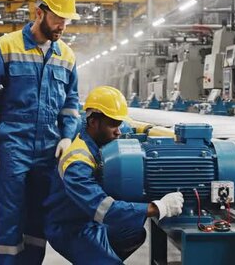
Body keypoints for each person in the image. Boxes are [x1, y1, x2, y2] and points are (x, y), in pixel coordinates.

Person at [0, 0, 81, 264]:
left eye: (67, 21)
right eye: (58, 18)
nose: (62, 26)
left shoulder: (66, 56)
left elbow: (70, 104)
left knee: (38, 220)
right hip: (13, 149)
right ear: (39, 12)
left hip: (48, 152)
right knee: (11, 219)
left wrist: (68, 135)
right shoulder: (6, 47)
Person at [44, 86, 184, 264]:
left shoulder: (94, 132)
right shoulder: (77, 163)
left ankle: (99, 258)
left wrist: (153, 131)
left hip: (89, 221)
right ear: (94, 121)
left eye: (119, 124)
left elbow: (129, 126)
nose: (119, 131)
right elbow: (103, 209)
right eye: (113, 124)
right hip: (70, 228)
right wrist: (159, 208)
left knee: (134, 231)